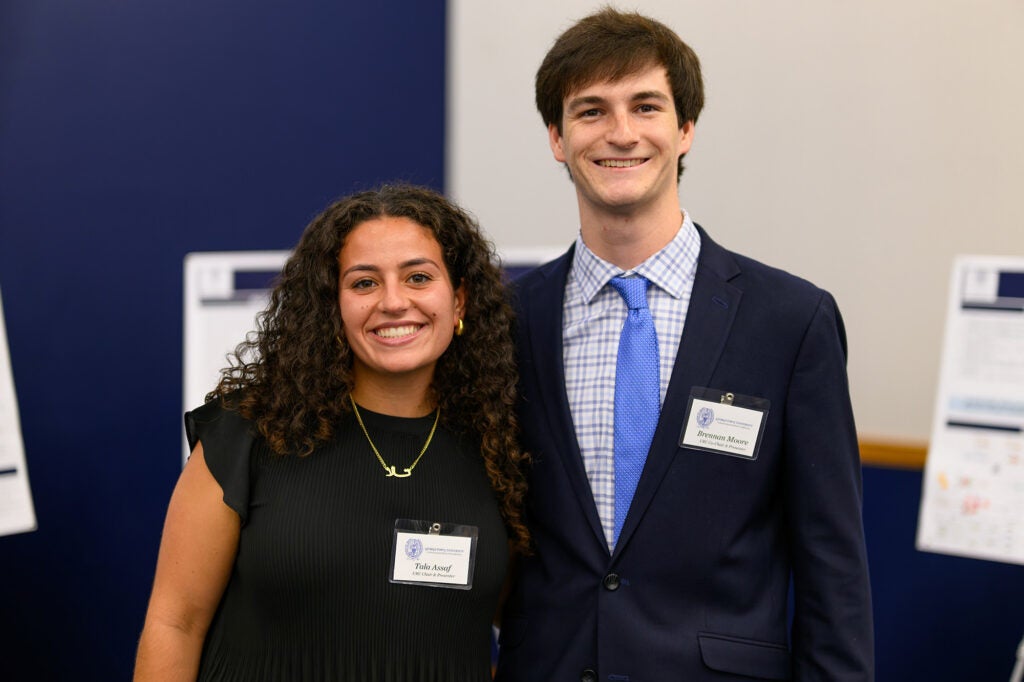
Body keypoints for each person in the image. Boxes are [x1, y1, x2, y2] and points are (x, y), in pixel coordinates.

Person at [495, 8, 873, 681]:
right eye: (590, 111)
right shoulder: (509, 321)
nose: (621, 133)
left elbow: (834, 572)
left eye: (646, 106)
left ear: (686, 128)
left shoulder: (790, 321)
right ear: (556, 137)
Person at [135, 184, 529, 681]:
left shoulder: (501, 447)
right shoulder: (249, 434)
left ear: (459, 301)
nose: (393, 302)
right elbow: (176, 624)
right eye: (364, 283)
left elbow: (526, 626)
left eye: (418, 277)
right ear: (332, 305)